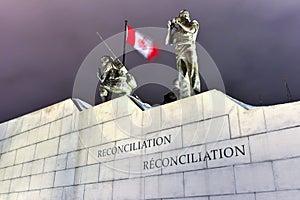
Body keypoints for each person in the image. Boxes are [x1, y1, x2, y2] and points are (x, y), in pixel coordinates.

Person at [166, 10, 201, 98]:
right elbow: (167, 42)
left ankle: (195, 92)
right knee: (182, 76)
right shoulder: (177, 31)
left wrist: (179, 23)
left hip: (189, 49)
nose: (184, 17)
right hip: (179, 54)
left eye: (185, 15)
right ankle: (184, 95)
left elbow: (191, 29)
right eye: (182, 15)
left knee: (192, 71)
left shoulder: (193, 23)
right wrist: (169, 29)